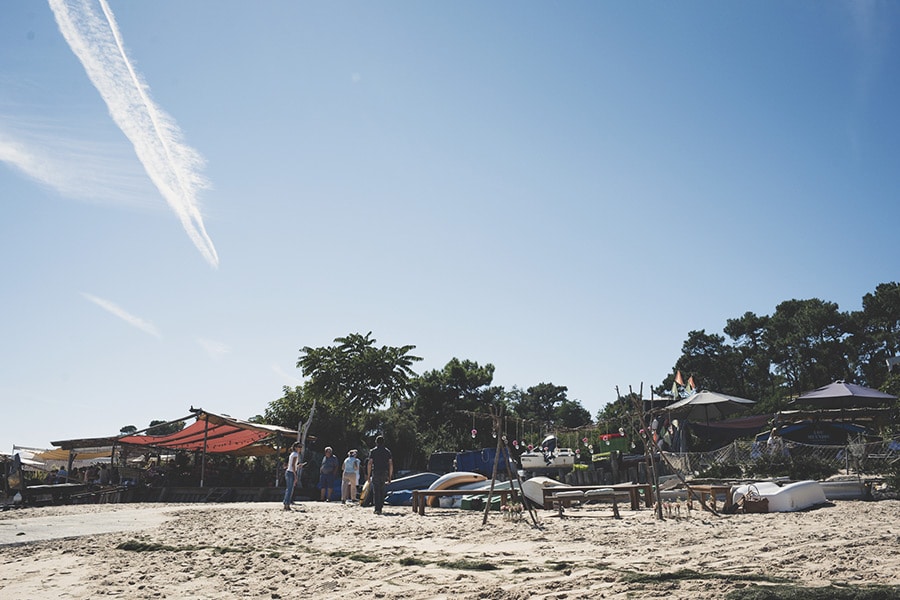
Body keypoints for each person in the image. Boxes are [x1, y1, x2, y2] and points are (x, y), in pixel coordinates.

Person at [367, 435, 393, 515]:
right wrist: (390, 475)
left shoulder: (373, 451)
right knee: (382, 489)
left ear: (376, 442)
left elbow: (370, 463)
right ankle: (380, 506)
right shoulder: (387, 451)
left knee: (376, 490)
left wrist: (368, 475)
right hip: (384, 472)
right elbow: (390, 464)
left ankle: (377, 508)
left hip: (376, 471)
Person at [283, 442, 303, 511]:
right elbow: (292, 466)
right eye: (299, 447)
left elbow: (291, 465)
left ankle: (286, 503)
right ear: (295, 447)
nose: (300, 448)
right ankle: (287, 504)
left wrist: (298, 466)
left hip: (289, 472)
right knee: (290, 489)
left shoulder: (292, 454)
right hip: (291, 473)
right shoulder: (295, 454)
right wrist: (295, 475)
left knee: (289, 489)